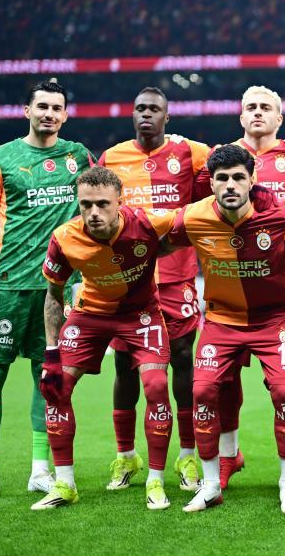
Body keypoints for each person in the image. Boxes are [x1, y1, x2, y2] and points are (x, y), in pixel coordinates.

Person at [0, 80, 94, 503]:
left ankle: (40, 470)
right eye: (42, 106)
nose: (49, 113)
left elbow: (101, 203)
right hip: (6, 286)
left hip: (56, 290)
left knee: (47, 377)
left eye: (57, 108)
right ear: (27, 111)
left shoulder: (78, 156)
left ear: (65, 115)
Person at [164, 144, 285, 515]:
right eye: (222, 179)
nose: (230, 185)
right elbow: (148, 236)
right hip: (222, 321)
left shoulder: (282, 213)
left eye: (237, 177)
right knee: (202, 391)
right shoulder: (193, 216)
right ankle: (211, 485)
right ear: (211, 183)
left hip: (273, 320)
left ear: (252, 180)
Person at [211, 85, 285, 494]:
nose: (258, 113)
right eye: (251, 107)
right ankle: (228, 456)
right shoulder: (223, 156)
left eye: (266, 107)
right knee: (224, 379)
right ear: (240, 116)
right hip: (230, 283)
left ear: (280, 118)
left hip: (283, 284)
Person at [32, 166, 174, 510]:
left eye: (102, 204)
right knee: (54, 388)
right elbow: (54, 296)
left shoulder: (147, 223)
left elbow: (193, 221)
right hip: (90, 314)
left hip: (140, 314)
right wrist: (51, 354)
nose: (93, 212)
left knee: (156, 386)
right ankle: (65, 484)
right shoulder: (64, 237)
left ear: (119, 201)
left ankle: (155, 481)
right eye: (86, 205)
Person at [98, 86, 211, 492]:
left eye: (154, 109)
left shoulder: (191, 152)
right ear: (133, 115)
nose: (146, 114)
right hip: (127, 279)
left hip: (177, 276)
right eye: (140, 108)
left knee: (183, 361)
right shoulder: (112, 158)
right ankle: (126, 455)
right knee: (125, 364)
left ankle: (187, 456)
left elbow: (236, 162)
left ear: (167, 117)